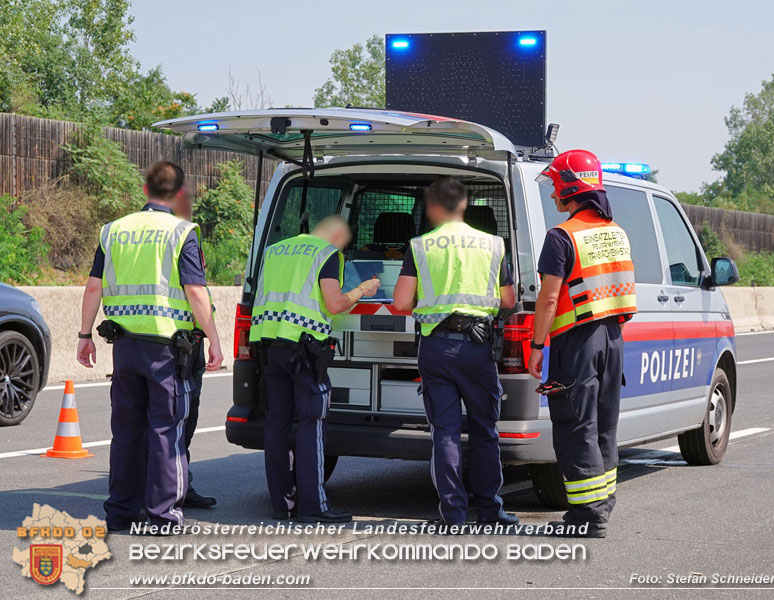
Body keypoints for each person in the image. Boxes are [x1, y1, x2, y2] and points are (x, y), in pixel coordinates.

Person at [77, 161, 223, 532]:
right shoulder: (181, 232)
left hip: (124, 346)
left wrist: (84, 335)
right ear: (177, 195)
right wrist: (215, 337)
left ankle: (121, 512)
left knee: (126, 430)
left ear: (145, 191)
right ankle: (162, 516)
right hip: (167, 349)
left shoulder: (114, 231)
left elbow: (94, 286)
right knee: (166, 429)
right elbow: (194, 291)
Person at [394, 177, 517, 527]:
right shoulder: (494, 245)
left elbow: (402, 302)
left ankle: (453, 515)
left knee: (444, 432)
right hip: (478, 348)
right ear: (463, 204)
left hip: (435, 347)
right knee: (485, 430)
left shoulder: (420, 245)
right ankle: (491, 511)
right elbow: (507, 300)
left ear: (433, 208)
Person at [529, 149, 637, 538]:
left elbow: (549, 298)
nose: (553, 193)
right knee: (604, 424)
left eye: (556, 185)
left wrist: (537, 345)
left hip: (576, 342)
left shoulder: (561, 237)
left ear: (568, 187)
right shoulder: (616, 232)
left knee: (576, 426)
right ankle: (601, 506)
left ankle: (588, 518)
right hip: (612, 338)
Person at [251, 215, 379, 523]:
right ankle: (313, 506)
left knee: (277, 426)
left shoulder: (274, 250)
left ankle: (282, 504)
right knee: (311, 425)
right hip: (305, 352)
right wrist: (362, 289)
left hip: (270, 346)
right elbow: (334, 304)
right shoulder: (326, 254)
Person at [172, 183, 217, 509]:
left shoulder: (189, 235)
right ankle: (168, 488)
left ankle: (181, 483)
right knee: (172, 419)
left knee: (188, 417)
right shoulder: (174, 236)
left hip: (192, 339)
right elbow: (193, 290)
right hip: (177, 342)